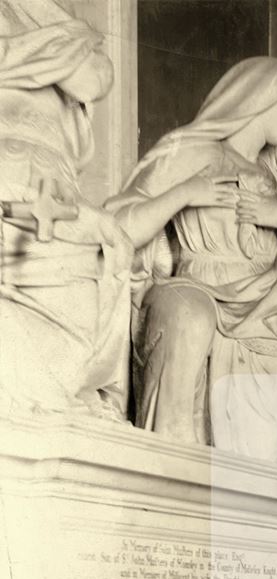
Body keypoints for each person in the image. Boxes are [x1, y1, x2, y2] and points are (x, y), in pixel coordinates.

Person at [108, 57, 277, 461]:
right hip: (198, 287)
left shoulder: (271, 179)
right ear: (262, 98)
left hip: (267, 319)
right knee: (189, 314)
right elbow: (118, 225)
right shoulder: (190, 152)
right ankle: (174, 467)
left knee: (256, 468)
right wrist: (185, 193)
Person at [0, 0, 132, 418]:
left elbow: (95, 78)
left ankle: (59, 396)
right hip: (8, 173)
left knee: (82, 307)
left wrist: (34, 43)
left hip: (57, 192)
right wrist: (60, 48)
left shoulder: (48, 16)